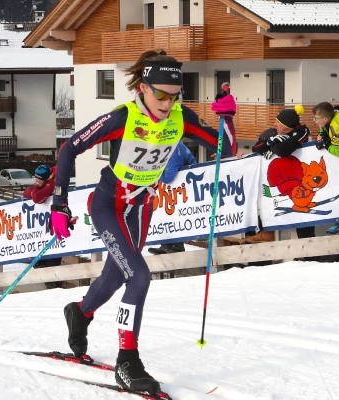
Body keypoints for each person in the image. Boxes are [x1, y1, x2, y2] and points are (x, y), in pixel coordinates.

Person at [49, 49, 235, 394]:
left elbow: (226, 149)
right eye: (161, 94)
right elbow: (70, 148)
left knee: (117, 273)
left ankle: (80, 312)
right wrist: (59, 203)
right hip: (108, 204)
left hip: (141, 207)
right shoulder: (123, 117)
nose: (167, 103)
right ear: (144, 88)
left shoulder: (181, 117)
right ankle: (127, 360)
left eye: (174, 95)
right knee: (139, 276)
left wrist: (227, 119)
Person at [251, 107, 315, 243]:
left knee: (304, 223)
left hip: (304, 183)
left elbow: (283, 151)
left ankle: (312, 257)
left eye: (278, 123)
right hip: (286, 183)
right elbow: (256, 148)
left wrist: (275, 146)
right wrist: (270, 142)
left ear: (286, 127)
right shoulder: (278, 134)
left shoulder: (302, 133)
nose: (274, 125)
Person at [312, 102, 339, 234]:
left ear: (325, 119)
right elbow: (324, 132)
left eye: (316, 119)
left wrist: (326, 145)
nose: (314, 121)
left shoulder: (337, 127)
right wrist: (322, 137)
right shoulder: (329, 122)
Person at [148, 142, 197, 255]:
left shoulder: (173, 154)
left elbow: (168, 178)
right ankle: (166, 245)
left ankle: (177, 245)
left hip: (185, 187)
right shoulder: (171, 146)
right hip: (178, 187)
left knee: (176, 214)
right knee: (166, 214)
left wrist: (153, 172)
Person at [22, 165, 62, 287]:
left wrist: (36, 191)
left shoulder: (51, 184)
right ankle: (53, 288)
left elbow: (37, 198)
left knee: (52, 264)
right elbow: (26, 192)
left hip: (56, 232)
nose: (36, 180)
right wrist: (36, 189)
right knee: (38, 262)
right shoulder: (46, 182)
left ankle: (56, 289)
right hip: (43, 232)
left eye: (38, 178)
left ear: (45, 178)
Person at [211, 81, 237, 155]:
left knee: (222, 137)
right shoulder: (228, 99)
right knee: (230, 137)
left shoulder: (222, 99)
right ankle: (230, 154)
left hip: (223, 118)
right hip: (226, 118)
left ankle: (221, 152)